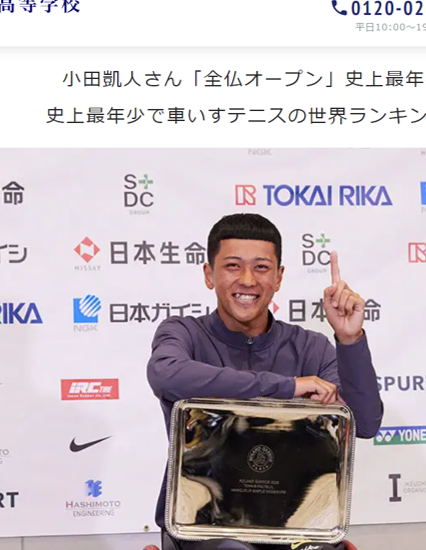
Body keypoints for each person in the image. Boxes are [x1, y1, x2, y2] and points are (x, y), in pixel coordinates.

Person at [147, 213, 384, 550]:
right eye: (232, 266)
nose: (247, 280)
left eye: (261, 267)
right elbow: (166, 374)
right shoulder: (184, 333)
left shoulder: (310, 347)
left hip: (297, 528)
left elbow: (365, 423)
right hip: (205, 529)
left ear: (278, 277)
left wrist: (349, 340)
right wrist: (288, 387)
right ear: (209, 274)